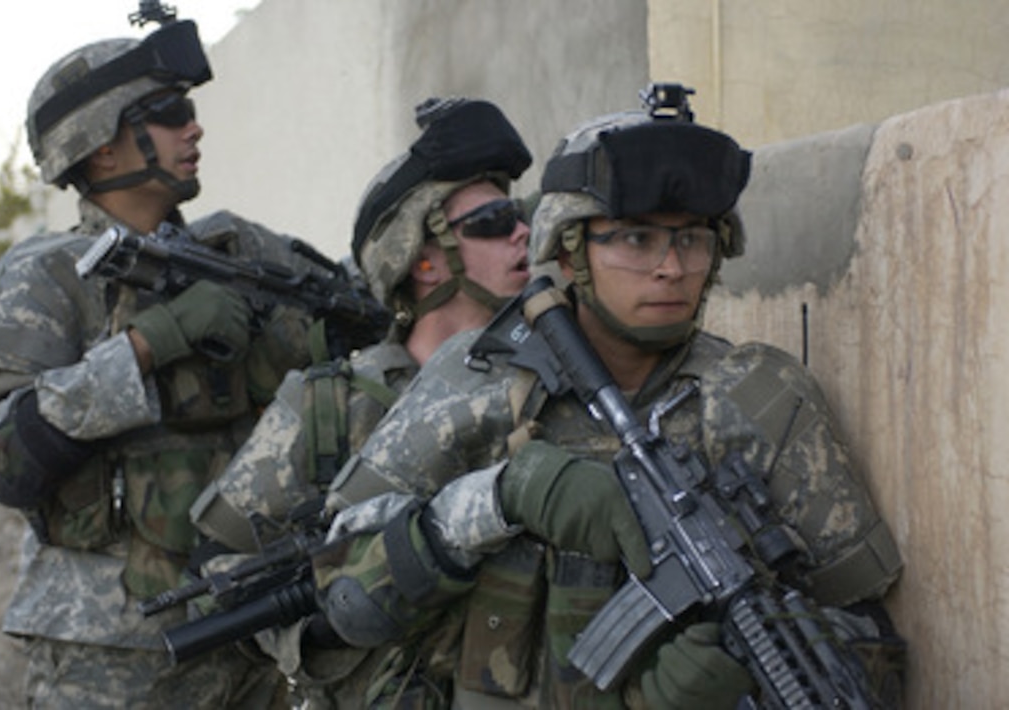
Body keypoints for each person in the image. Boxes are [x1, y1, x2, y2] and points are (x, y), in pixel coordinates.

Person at [307, 84, 907, 708]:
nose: (671, 268)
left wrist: (741, 677)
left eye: (693, 240)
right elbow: (342, 592)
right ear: (570, 251)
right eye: (636, 239)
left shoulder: (755, 399)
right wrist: (497, 498)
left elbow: (872, 641)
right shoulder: (479, 376)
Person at [0, 19, 322, 708]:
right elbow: (7, 460)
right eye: (170, 114)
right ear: (100, 146)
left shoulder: (242, 252)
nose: (196, 130)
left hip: (252, 629)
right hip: (107, 651)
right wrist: (146, 344)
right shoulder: (47, 275)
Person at [186, 96, 533, 707]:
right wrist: (327, 624)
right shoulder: (334, 404)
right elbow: (223, 567)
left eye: (519, 212)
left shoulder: (551, 379)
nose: (522, 232)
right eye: (493, 221)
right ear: (422, 259)